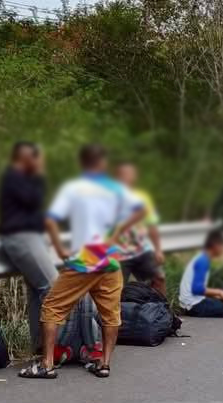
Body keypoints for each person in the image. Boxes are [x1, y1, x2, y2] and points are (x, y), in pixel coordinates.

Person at [20, 144, 144, 380]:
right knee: (110, 314)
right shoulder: (115, 188)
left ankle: (47, 364)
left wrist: (59, 248)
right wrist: (118, 232)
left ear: (83, 163)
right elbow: (139, 210)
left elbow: (50, 220)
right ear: (103, 163)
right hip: (110, 257)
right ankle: (104, 364)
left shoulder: (74, 189)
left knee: (52, 307)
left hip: (85, 258)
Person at [0, 141, 58, 357]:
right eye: (34, 156)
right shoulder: (14, 178)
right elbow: (35, 200)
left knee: (38, 290)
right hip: (21, 236)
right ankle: (50, 349)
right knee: (52, 288)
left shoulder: (20, 178)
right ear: (24, 157)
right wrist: (39, 173)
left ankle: (40, 347)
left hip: (30, 236)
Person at [114, 161, 167, 297]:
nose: (128, 177)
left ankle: (164, 308)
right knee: (117, 289)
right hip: (119, 253)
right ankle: (118, 311)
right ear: (117, 176)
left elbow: (152, 224)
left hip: (142, 250)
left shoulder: (142, 198)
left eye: (131, 174)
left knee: (159, 278)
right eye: (124, 174)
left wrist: (158, 249)